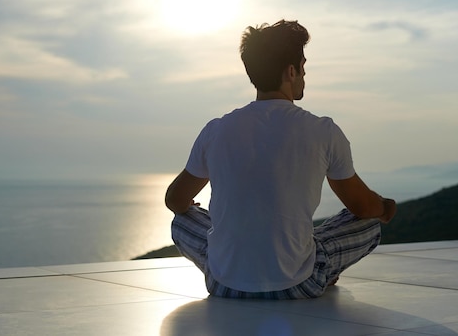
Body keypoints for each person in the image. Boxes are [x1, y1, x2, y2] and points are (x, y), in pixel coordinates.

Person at [165, 19, 396, 299]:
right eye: (303, 68)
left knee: (182, 220)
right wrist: (383, 207)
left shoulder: (216, 130)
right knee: (368, 221)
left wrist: (196, 209)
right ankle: (322, 272)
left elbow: (174, 201)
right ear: (291, 71)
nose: (304, 76)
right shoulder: (323, 131)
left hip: (224, 284)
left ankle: (237, 267)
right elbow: (361, 206)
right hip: (299, 284)